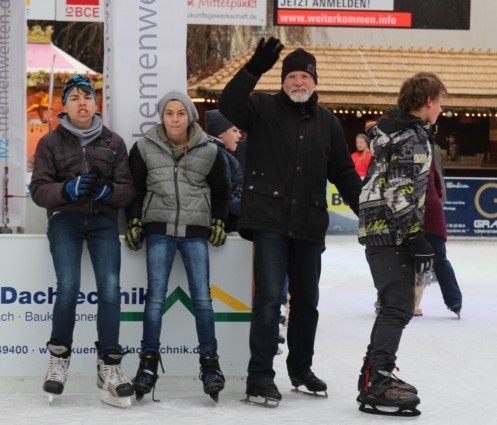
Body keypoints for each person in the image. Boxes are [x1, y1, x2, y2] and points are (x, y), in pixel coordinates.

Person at [219, 38, 363, 407]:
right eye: (292, 76)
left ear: (315, 82)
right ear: (283, 81)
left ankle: (300, 368)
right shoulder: (261, 107)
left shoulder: (328, 123)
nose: (298, 82)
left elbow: (344, 173)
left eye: (305, 76)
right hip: (269, 221)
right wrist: (254, 69)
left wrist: (366, 209)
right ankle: (259, 377)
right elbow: (228, 104)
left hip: (308, 224)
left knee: (307, 302)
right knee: (268, 300)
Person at [30, 75, 135, 407]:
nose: (82, 102)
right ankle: (58, 360)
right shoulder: (50, 143)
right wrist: (66, 190)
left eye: (87, 96)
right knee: (69, 285)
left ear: (96, 103)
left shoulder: (114, 142)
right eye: (74, 97)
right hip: (65, 219)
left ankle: (110, 366)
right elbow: (38, 190)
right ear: (65, 106)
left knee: (110, 286)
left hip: (103, 220)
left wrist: (107, 192)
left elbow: (128, 190)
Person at [124, 91, 231, 403]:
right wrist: (134, 221)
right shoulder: (143, 148)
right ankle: (147, 364)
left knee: (202, 299)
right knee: (155, 298)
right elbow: (135, 190)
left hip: (196, 231)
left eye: (180, 113)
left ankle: (210, 364)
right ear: (162, 116)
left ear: (190, 117)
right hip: (158, 229)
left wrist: (219, 220)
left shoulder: (210, 149)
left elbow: (222, 190)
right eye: (169, 113)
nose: (174, 119)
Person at [356, 72, 447, 417]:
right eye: (440, 101)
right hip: (391, 232)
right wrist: (416, 238)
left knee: (395, 304)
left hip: (382, 229)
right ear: (428, 101)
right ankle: (377, 379)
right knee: (397, 305)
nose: (441, 108)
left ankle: (373, 374)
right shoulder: (412, 137)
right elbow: (398, 192)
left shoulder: (392, 132)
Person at [419, 136, 463, 318]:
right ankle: (454, 300)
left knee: (405, 260)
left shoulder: (410, 154)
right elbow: (437, 183)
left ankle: (392, 300)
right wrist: (435, 198)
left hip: (418, 213)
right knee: (439, 258)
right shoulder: (428, 151)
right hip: (432, 211)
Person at [205, 109, 244, 232]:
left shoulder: (219, 153)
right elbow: (224, 194)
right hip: (227, 223)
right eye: (234, 130)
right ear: (220, 133)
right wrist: (250, 209)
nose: (239, 135)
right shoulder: (220, 156)